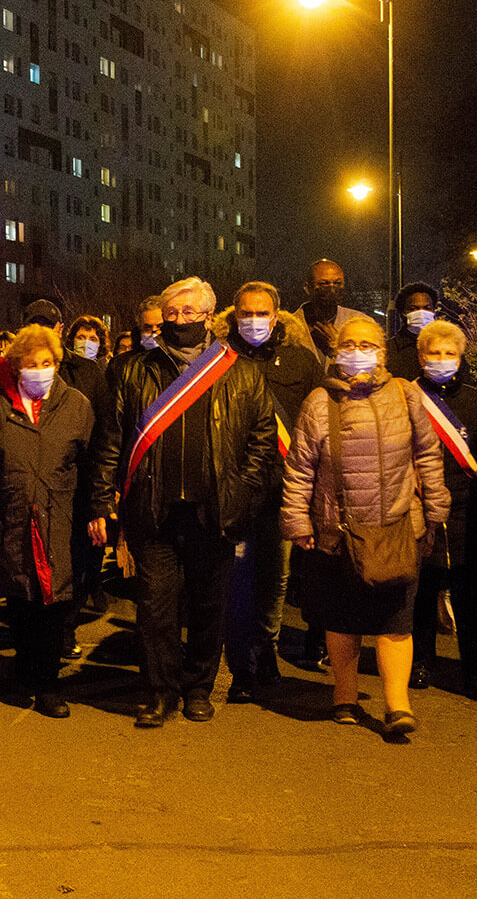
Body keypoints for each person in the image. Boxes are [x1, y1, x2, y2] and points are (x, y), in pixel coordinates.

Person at [89, 277, 282, 727]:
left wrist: (243, 491)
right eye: (172, 314)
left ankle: (198, 687)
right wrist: (103, 501)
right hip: (152, 510)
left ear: (209, 318)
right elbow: (110, 441)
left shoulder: (241, 371)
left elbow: (262, 440)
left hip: (213, 510)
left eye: (190, 313)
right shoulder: (131, 369)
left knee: (208, 605)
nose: (180, 322)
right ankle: (160, 692)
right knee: (155, 609)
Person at [280, 314, 449, 738]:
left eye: (367, 344)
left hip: (396, 527)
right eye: (349, 344)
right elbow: (300, 468)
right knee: (342, 621)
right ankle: (345, 695)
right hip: (336, 531)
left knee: (396, 622)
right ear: (337, 352)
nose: (358, 352)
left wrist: (435, 509)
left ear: (383, 352)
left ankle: (398, 703)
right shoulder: (320, 402)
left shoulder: (406, 395)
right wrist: (299, 520)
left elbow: (428, 455)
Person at [0, 325, 95, 716]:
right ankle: (26, 666)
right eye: (30, 364)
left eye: (47, 363)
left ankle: (48, 685)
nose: (39, 370)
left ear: (57, 364)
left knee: (54, 604)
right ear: (15, 368)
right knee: (21, 599)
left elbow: (92, 466)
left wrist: (100, 513)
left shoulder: (76, 405)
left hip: (61, 519)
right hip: (11, 518)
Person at [217, 281, 324, 700]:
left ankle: (267, 650)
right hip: (235, 487)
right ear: (234, 315)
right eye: (247, 312)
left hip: (283, 489)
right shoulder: (219, 359)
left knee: (274, 578)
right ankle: (240, 664)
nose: (255, 320)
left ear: (276, 316)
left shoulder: (300, 360)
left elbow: (319, 418)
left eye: (263, 313)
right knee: (237, 578)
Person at [409, 319, 477, 699]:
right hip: (421, 508)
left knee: (468, 595)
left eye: (450, 354)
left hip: (467, 510)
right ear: (420, 356)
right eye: (435, 353)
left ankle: (473, 669)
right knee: (423, 592)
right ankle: (421, 662)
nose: (442, 360)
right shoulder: (408, 396)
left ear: (461, 358)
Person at [21, 299, 110, 659]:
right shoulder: (9, 370)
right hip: (27, 488)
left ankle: (65, 628)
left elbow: (102, 437)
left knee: (76, 568)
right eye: (35, 322)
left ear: (60, 329)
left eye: (49, 323)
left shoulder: (87, 374)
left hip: (72, 489)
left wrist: (100, 501)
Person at [289, 259, 366, 367]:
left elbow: (372, 369)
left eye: (337, 283)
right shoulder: (289, 327)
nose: (331, 289)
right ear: (307, 287)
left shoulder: (361, 323)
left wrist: (339, 347)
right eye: (323, 283)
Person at [385, 282, 440, 383]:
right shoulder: (388, 350)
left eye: (427, 308)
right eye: (413, 309)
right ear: (403, 313)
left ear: (434, 311)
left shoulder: (447, 347)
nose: (421, 313)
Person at [105, 294, 163, 391]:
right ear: (140, 327)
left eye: (159, 326)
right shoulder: (119, 365)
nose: (154, 332)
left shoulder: (179, 360)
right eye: (147, 328)